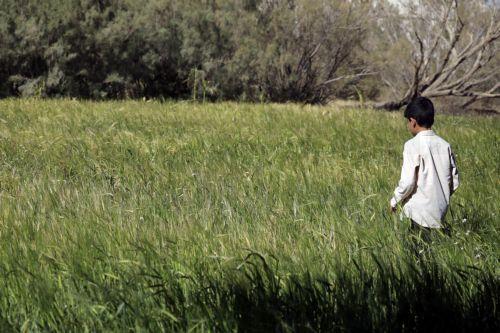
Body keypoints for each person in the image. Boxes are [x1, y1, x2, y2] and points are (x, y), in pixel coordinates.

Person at [390, 96, 459, 239]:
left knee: (416, 254)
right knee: (434, 251)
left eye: (407, 122)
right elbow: (454, 181)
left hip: (417, 214)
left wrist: (394, 200)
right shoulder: (445, 145)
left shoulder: (411, 145)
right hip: (439, 212)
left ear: (413, 121)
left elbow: (408, 182)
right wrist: (441, 196)